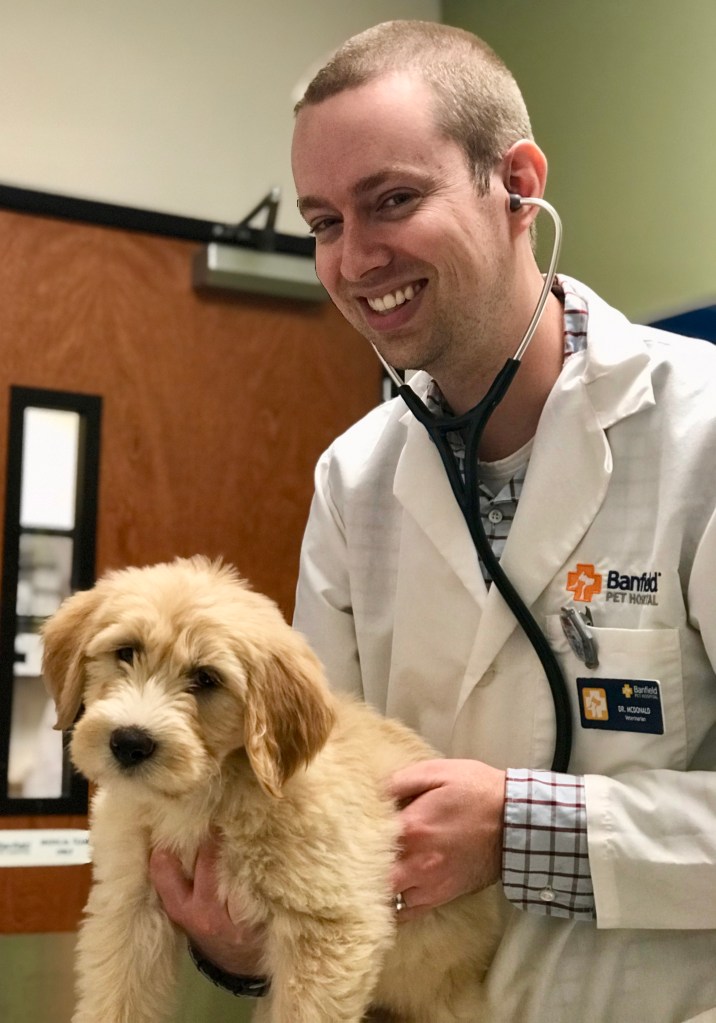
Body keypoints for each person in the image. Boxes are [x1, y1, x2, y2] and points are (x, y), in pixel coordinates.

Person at [150, 20, 716, 1022]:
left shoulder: (696, 431)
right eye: (324, 222)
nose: (356, 257)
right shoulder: (354, 481)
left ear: (517, 184)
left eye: (393, 200)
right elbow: (307, 787)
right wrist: (240, 940)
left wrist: (524, 830)